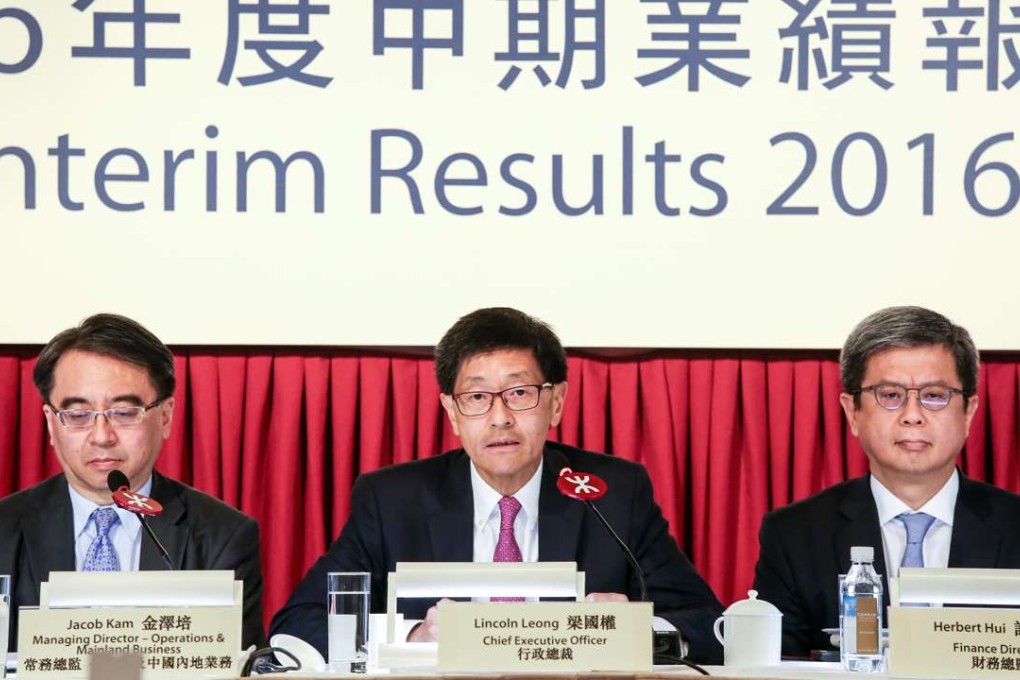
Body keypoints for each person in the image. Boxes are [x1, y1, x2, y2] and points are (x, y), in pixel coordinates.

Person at [270, 307, 723, 663]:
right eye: (477, 397)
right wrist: (413, 637)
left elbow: (708, 625)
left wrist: (632, 630)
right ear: (452, 412)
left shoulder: (614, 493)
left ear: (556, 401)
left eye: (519, 393)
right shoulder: (393, 500)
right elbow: (300, 622)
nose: (500, 417)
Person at [753, 306, 1020, 657]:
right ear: (852, 412)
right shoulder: (794, 534)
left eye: (934, 395)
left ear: (968, 412)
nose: (913, 415)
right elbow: (775, 667)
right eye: (891, 396)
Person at [0, 313, 264, 649]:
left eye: (124, 413)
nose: (101, 436)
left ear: (165, 416)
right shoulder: (5, 530)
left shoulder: (222, 537)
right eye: (78, 415)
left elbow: (237, 663)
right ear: (52, 424)